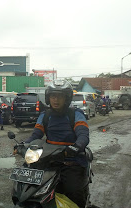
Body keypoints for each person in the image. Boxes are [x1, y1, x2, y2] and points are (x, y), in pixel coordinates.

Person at [24, 80, 89, 208]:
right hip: (48, 158)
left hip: (71, 159)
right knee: (31, 187)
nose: (56, 100)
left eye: (60, 96)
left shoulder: (76, 114)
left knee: (73, 191)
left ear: (67, 98)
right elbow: (36, 135)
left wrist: (76, 146)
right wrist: (23, 145)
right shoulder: (45, 115)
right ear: (48, 98)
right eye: (53, 96)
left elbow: (83, 134)